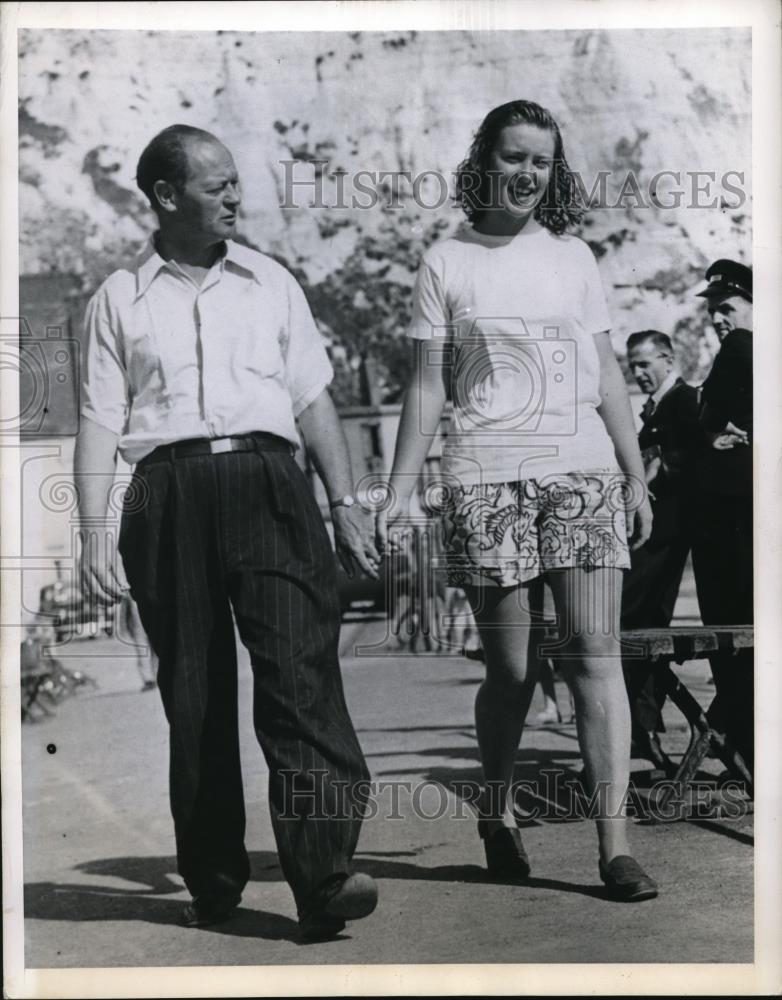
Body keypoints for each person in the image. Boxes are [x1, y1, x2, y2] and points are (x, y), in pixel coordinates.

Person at [74, 125, 381, 941]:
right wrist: (93, 532)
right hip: (165, 495)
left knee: (301, 678)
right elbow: (101, 421)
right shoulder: (118, 299)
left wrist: (346, 501)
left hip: (269, 482)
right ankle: (213, 878)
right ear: (167, 197)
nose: (237, 199)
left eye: (237, 183)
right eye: (218, 187)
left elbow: (314, 398)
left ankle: (326, 876)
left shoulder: (271, 282)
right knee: (196, 696)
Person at [377, 100, 657, 901]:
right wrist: (400, 491)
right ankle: (496, 815)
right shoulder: (446, 261)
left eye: (541, 159)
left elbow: (604, 372)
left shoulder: (574, 256)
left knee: (594, 656)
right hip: (485, 476)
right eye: (513, 156)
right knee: (513, 670)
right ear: (484, 161)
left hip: (581, 472)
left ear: (553, 167)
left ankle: (615, 848)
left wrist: (634, 473)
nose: (527, 172)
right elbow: (427, 384)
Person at [621, 331, 703, 774]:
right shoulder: (656, 409)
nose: (637, 374)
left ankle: (639, 733)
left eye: (643, 364)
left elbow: (693, 458)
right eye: (631, 366)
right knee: (636, 632)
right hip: (648, 543)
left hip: (665, 544)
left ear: (668, 358)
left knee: (628, 629)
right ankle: (639, 734)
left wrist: (656, 467)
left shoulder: (685, 401)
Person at [692, 259, 754, 774]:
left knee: (733, 632)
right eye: (713, 311)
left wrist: (710, 432)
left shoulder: (741, 348)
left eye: (727, 307)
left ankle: (738, 739)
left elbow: (705, 414)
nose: (718, 319)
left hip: (734, 521)